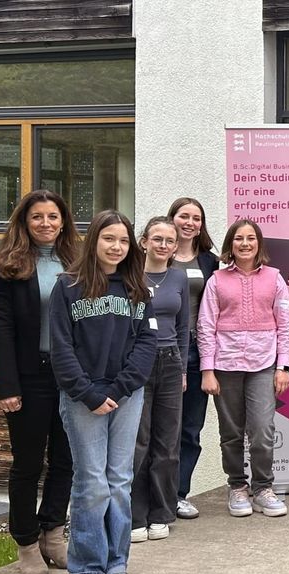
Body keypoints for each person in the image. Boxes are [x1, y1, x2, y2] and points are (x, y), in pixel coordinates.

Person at [49, 210, 156, 574]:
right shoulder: (67, 287)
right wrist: (89, 393)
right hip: (84, 398)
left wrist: (122, 387)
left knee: (119, 481)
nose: (117, 246)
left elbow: (146, 343)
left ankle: (116, 563)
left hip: (126, 395)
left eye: (124, 240)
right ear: (93, 240)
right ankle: (86, 568)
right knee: (92, 482)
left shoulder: (137, 289)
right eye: (109, 238)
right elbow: (61, 348)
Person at [0, 189, 79, 574]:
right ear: (25, 222)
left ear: (63, 221)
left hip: (70, 374)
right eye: (37, 217)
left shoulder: (78, 262)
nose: (46, 223)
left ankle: (53, 533)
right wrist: (8, 385)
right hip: (30, 377)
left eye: (53, 216)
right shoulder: (8, 267)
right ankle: (26, 541)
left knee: (66, 459)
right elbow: (3, 328)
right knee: (28, 463)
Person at [199, 219, 289, 518]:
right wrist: (207, 370)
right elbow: (206, 326)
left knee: (262, 430)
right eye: (239, 238)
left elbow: (285, 325)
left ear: (258, 243)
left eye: (251, 238)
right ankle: (238, 486)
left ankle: (263, 488)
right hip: (225, 365)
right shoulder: (216, 280)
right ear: (231, 243)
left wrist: (283, 366)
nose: (245, 243)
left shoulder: (274, 278)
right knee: (231, 432)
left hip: (263, 365)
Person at [130, 217, 190, 544]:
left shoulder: (178, 277)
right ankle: (136, 516)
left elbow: (183, 328)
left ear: (175, 246)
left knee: (167, 443)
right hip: (137, 362)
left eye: (169, 240)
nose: (163, 245)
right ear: (144, 241)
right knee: (138, 442)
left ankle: (161, 513)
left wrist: (182, 371)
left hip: (170, 362)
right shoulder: (129, 275)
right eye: (157, 238)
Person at [167, 197, 218, 521]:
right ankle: (155, 495)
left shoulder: (209, 262)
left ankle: (178, 494)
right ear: (172, 218)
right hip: (162, 348)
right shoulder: (157, 254)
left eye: (196, 218)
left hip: (197, 350)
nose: (190, 222)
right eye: (183, 216)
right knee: (161, 429)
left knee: (190, 429)